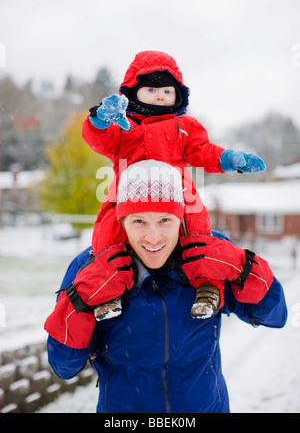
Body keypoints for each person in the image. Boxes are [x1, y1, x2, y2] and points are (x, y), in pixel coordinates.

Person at [44, 160, 287, 414]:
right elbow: (64, 366)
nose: (152, 237)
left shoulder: (208, 254)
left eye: (164, 220)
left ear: (180, 216)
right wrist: (80, 299)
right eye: (139, 221)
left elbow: (275, 315)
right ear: (122, 220)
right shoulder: (92, 266)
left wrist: (243, 266)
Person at [82, 50, 266, 319]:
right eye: (151, 89)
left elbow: (203, 151)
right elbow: (100, 140)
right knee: (108, 232)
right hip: (129, 195)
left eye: (167, 91)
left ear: (178, 96)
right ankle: (108, 291)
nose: (160, 95)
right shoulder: (123, 126)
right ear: (133, 93)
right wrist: (99, 121)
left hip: (176, 194)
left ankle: (207, 287)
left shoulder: (184, 126)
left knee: (197, 227)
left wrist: (228, 159)